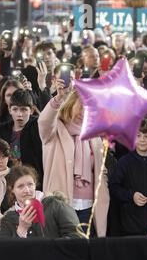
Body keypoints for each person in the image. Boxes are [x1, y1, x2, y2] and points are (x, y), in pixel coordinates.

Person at [38, 82, 109, 237]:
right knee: (61, 253)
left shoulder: (94, 136)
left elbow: (99, 170)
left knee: (84, 253)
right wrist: (57, 99)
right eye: (81, 106)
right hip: (60, 205)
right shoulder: (55, 130)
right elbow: (44, 122)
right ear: (71, 103)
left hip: (89, 207)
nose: (84, 112)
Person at [110, 116, 147, 236]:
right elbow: (114, 187)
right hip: (130, 226)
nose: (142, 140)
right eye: (138, 136)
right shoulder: (124, 162)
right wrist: (131, 195)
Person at [0, 165, 82, 239]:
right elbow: (5, 252)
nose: (27, 190)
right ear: (12, 189)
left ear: (35, 185)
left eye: (30, 184)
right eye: (20, 186)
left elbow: (77, 237)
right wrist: (21, 231)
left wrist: (48, 248)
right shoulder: (7, 220)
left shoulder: (55, 205)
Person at [0, 89, 43, 184]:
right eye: (15, 109)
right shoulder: (0, 130)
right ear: (9, 110)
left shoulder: (38, 127)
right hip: (6, 183)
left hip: (34, 183)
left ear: (31, 110)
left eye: (24, 109)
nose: (19, 114)